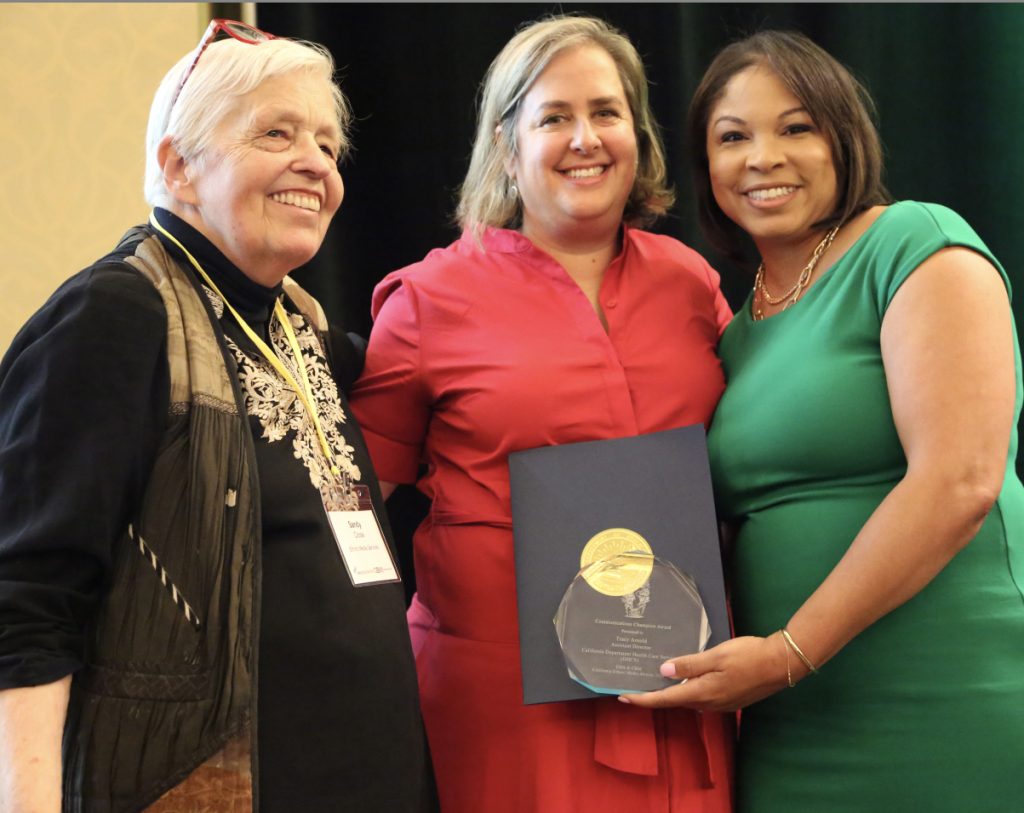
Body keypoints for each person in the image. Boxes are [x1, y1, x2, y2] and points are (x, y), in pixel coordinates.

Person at [0, 20, 436, 813]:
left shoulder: (301, 330)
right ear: (180, 167)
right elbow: (26, 595)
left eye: (329, 145)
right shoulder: (115, 316)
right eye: (277, 132)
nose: (316, 162)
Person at [624, 29, 1024, 812]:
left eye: (795, 127)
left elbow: (959, 480)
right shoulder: (733, 337)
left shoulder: (914, 243)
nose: (762, 157)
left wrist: (786, 654)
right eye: (732, 136)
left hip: (952, 696)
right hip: (791, 722)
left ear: (844, 138)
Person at [349, 14, 735, 813]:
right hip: (503, 705)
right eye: (554, 117)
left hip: (678, 683)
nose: (584, 138)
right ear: (507, 144)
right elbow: (351, 509)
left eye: (605, 112)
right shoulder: (428, 299)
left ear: (638, 132)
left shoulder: (691, 283)